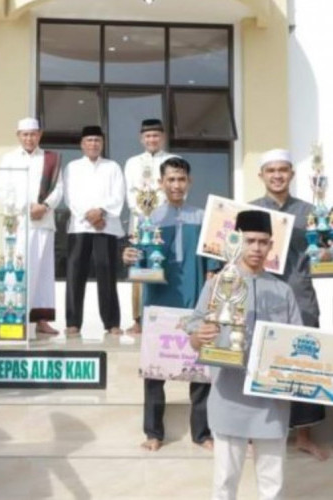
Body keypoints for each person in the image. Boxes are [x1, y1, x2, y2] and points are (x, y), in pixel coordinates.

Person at [188, 209, 301, 500]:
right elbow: (195, 333)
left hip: (272, 403)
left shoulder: (282, 290)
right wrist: (198, 337)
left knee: (272, 484)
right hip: (228, 397)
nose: (256, 248)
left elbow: (297, 342)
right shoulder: (216, 285)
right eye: (250, 241)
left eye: (263, 242)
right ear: (237, 240)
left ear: (271, 245)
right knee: (225, 482)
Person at [122, 157, 213, 452]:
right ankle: (153, 432)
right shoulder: (149, 219)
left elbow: (212, 264)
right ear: (161, 183)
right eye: (171, 179)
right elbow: (140, 259)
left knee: (200, 372)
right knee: (154, 371)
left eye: (181, 179)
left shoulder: (203, 217)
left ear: (190, 182)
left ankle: (202, 433)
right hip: (158, 304)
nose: (176, 184)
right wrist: (130, 257)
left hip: (194, 301)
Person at [250, 148, 329, 461]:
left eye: (283, 170)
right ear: (262, 176)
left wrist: (327, 254)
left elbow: (328, 249)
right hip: (262, 295)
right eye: (271, 171)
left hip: (300, 297)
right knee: (258, 362)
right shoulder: (250, 212)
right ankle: (258, 433)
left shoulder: (313, 210)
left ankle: (304, 435)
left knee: (304, 365)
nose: (277, 175)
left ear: (292, 174)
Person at [0, 117, 63, 336]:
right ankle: (14, 317)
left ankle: (41, 320)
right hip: (16, 225)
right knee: (17, 272)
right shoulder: (7, 159)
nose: (29, 138)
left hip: (43, 222)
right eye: (25, 134)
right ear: (18, 136)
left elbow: (58, 189)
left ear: (40, 135)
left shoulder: (50, 159)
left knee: (43, 272)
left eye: (33, 134)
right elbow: (3, 191)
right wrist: (26, 208)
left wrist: (44, 206)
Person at [63, 125, 125, 337]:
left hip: (106, 227)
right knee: (75, 274)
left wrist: (101, 213)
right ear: (82, 144)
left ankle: (112, 322)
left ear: (102, 143)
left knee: (107, 273)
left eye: (97, 140)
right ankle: (72, 322)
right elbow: (69, 196)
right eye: (89, 140)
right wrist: (88, 216)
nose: (93, 144)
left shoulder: (113, 167)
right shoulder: (71, 167)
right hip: (79, 226)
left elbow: (118, 196)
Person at [124, 119, 174, 334]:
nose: (152, 139)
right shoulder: (132, 163)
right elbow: (128, 193)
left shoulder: (174, 160)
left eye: (156, 135)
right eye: (148, 136)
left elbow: (178, 189)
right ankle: (138, 319)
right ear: (141, 138)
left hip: (167, 223)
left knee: (165, 267)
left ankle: (167, 314)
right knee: (139, 268)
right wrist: (145, 215)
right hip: (140, 225)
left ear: (162, 137)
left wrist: (160, 215)